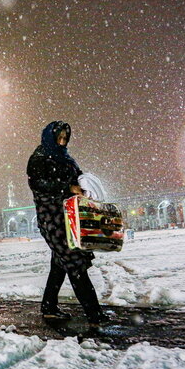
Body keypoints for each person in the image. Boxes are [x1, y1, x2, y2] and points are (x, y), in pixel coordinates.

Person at [27, 121, 108, 325]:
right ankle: (94, 314)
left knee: (59, 264)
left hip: (69, 216)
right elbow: (38, 184)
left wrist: (85, 183)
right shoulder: (39, 158)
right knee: (74, 263)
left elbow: (77, 178)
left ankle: (49, 308)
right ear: (50, 137)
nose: (62, 141)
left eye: (65, 138)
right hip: (52, 219)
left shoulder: (65, 157)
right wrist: (67, 188)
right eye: (59, 138)